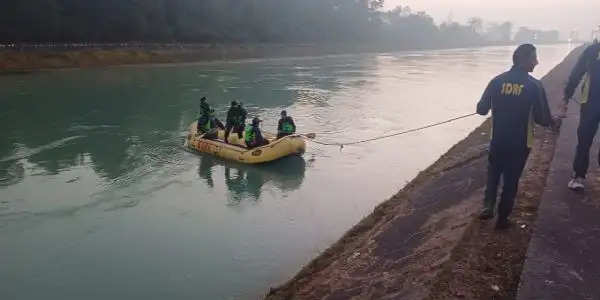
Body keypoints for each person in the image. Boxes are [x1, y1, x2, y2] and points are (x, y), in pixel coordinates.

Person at [477, 44, 558, 229]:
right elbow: (542, 119)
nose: (537, 62)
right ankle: (502, 219)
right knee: (511, 181)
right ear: (524, 60)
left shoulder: (496, 81)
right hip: (521, 143)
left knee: (493, 173)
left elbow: (481, 110)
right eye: (534, 58)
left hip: (497, 139)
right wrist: (553, 121)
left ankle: (488, 206)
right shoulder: (534, 86)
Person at [559, 42, 600, 191]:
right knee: (584, 139)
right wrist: (567, 96)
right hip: (590, 102)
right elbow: (577, 73)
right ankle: (578, 176)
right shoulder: (592, 50)